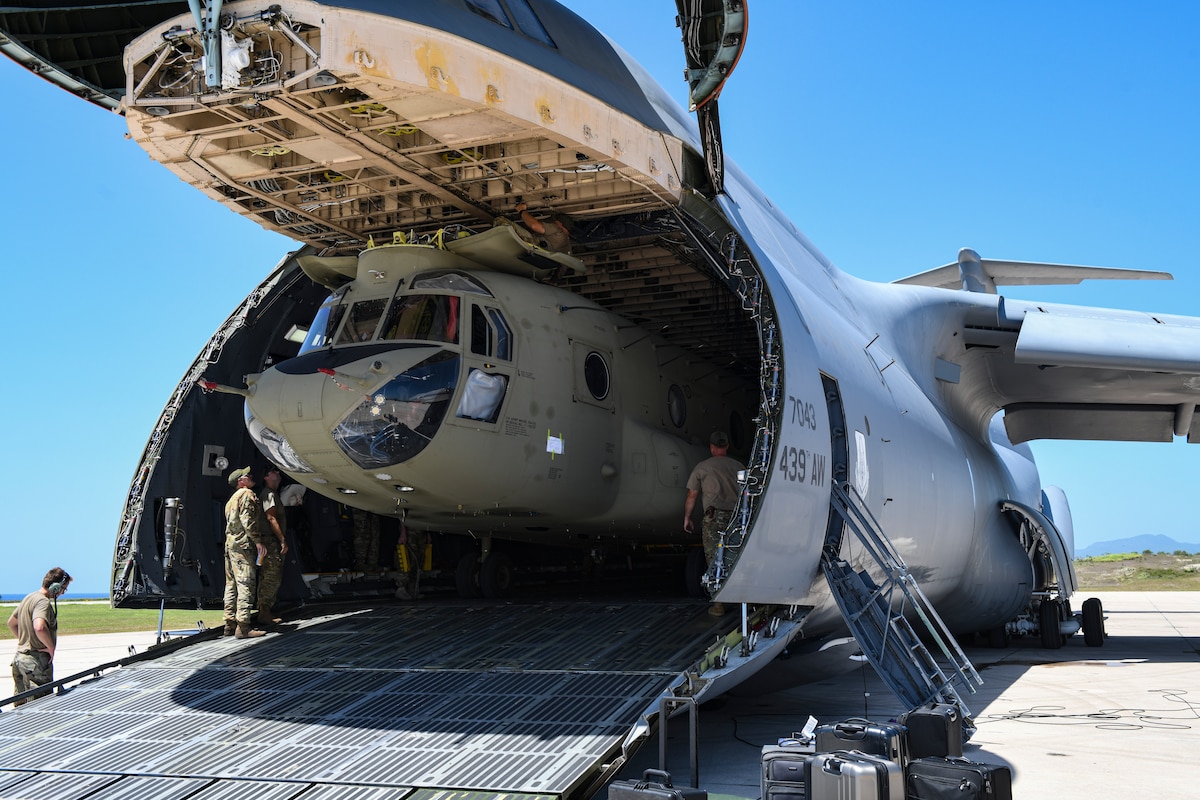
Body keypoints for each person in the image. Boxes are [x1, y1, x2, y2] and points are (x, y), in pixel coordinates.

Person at [683, 431, 745, 615]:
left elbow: (692, 495)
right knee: (736, 555)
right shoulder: (739, 466)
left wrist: (687, 517)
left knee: (714, 558)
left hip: (714, 518)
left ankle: (719, 604)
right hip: (737, 518)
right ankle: (742, 597)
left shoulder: (702, 468)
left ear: (711, 447)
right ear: (726, 446)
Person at [8, 567, 71, 705]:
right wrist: (50, 648)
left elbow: (11, 623)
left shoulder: (29, 598)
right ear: (55, 587)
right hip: (35, 664)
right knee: (40, 710)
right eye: (63, 589)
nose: (62, 593)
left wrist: (26, 640)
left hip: (20, 660)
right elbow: (39, 627)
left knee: (20, 710)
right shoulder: (42, 602)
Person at [223, 466, 267, 639]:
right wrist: (258, 542)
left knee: (231, 584)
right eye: (247, 475)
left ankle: (229, 623)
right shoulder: (246, 495)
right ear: (241, 481)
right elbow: (247, 521)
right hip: (242, 545)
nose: (251, 476)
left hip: (231, 544)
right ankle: (243, 627)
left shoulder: (231, 500)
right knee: (246, 583)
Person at [256, 466, 289, 626]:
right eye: (273, 471)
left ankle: (265, 610)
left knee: (271, 576)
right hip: (270, 541)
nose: (277, 473)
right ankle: (264, 612)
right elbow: (271, 518)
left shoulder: (273, 494)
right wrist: (282, 539)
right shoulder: (269, 494)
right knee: (270, 577)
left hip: (270, 541)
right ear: (266, 477)